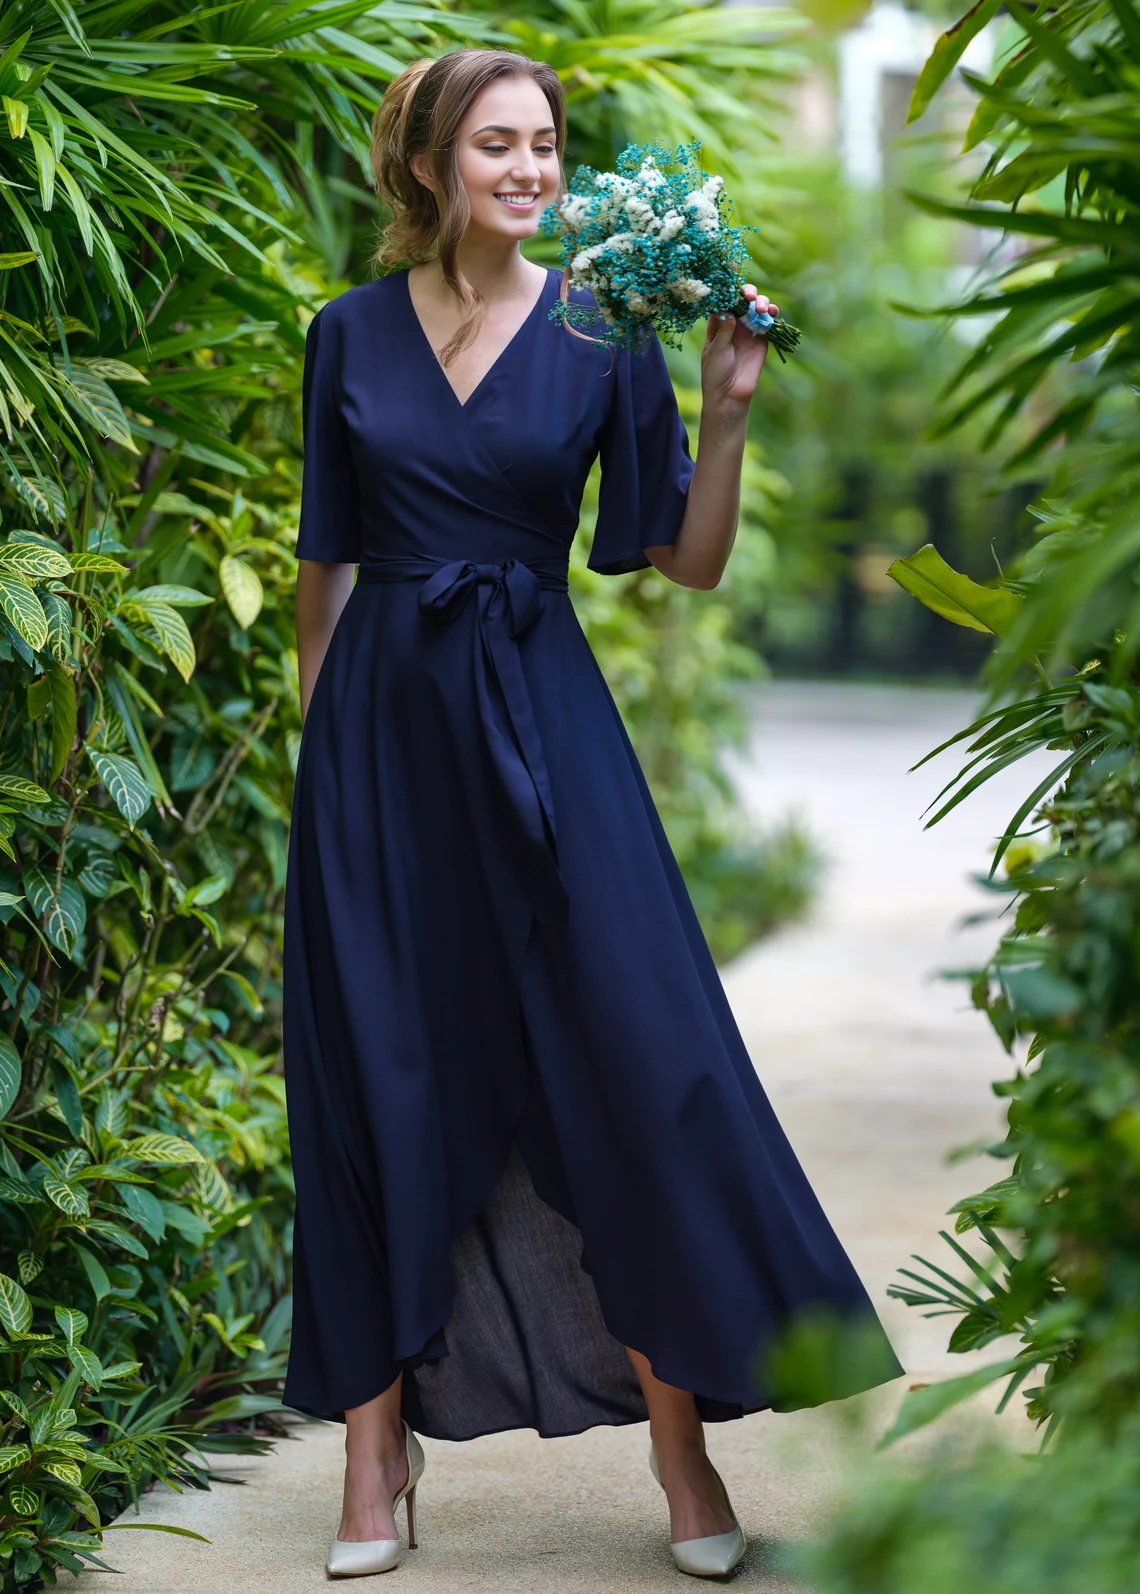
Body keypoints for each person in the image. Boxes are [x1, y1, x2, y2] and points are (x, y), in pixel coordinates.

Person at [283, 46, 902, 1581]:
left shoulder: (602, 328)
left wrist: (727, 411)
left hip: (548, 730)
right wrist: (323, 765)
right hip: (379, 751)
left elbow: (680, 558)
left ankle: (681, 1446)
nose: (531, 169)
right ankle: (373, 1451)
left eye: (547, 144)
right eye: (497, 143)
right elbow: (324, 571)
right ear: (428, 164)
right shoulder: (344, 334)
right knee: (374, 1078)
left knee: (629, 1060)